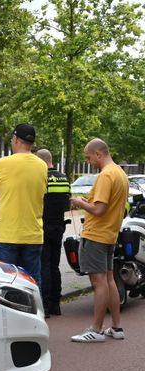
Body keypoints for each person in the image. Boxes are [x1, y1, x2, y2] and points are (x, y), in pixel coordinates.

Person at [69, 138, 129, 342]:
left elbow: (99, 210)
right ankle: (116, 327)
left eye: (89, 157)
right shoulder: (120, 174)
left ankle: (96, 329)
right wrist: (90, 203)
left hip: (96, 235)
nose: (89, 162)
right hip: (110, 234)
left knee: (99, 282)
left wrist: (80, 202)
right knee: (109, 280)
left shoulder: (105, 176)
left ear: (98, 154)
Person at [0, 123, 47, 286]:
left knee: (6, 281)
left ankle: (10, 312)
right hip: (33, 234)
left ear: (16, 139)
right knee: (33, 280)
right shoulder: (42, 165)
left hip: (8, 234)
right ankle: (36, 311)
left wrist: (4, 192)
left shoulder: (4, 163)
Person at [37, 148, 71, 317]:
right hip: (59, 225)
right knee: (55, 266)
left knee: (44, 265)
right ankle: (56, 304)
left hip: (43, 225)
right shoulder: (64, 178)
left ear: (42, 161)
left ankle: (45, 305)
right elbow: (67, 204)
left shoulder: (42, 178)